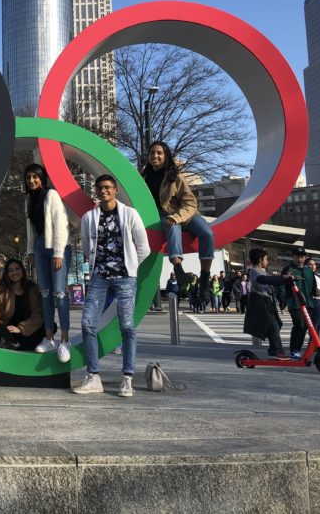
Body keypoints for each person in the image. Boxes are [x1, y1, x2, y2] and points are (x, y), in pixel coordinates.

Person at [74, 174, 149, 398]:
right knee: (88, 323)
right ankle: (93, 376)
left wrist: (130, 266)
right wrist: (99, 265)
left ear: (115, 190)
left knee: (127, 326)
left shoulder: (129, 214)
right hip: (99, 276)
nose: (103, 191)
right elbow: (88, 248)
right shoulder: (89, 217)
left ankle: (127, 378)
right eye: (100, 188)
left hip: (125, 277)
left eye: (107, 187)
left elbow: (143, 247)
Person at [142, 141, 215, 301]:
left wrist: (177, 216)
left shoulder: (175, 176)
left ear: (165, 156)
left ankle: (204, 278)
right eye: (152, 153)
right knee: (173, 228)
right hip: (163, 216)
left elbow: (190, 202)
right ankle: (179, 270)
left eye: (159, 153)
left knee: (207, 233)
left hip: (187, 214)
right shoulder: (143, 177)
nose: (155, 156)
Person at [23, 163, 73, 363]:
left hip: (57, 246)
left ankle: (65, 340)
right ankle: (49, 337)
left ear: (42, 178)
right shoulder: (28, 199)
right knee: (44, 293)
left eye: (35, 177)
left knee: (59, 292)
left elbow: (61, 223)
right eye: (28, 178)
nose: (32, 181)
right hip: (40, 246)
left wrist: (59, 253)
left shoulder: (51, 195)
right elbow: (30, 228)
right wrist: (30, 250)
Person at [0, 258, 43, 350]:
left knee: (51, 326)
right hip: (5, 331)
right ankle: (9, 342)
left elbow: (38, 316)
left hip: (25, 331)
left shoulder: (33, 290)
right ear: (7, 273)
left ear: (22, 270)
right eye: (10, 270)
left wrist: (21, 328)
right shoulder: (2, 289)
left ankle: (20, 345)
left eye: (17, 269)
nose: (14, 272)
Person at [246, 248, 290, 359]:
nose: (267, 261)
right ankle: (277, 351)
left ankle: (274, 349)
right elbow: (263, 279)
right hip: (260, 302)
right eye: (266, 259)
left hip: (268, 302)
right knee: (273, 326)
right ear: (260, 259)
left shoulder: (263, 270)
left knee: (276, 325)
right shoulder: (254, 271)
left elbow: (268, 280)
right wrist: (281, 278)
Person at [281, 247, 318, 359]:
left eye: (302, 257)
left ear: (305, 257)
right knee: (299, 324)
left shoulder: (308, 270)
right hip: (294, 303)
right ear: (293, 257)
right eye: (297, 257)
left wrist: (316, 291)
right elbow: (282, 284)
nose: (300, 259)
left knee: (305, 327)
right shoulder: (288, 269)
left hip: (309, 303)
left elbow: (314, 286)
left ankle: (297, 349)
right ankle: (294, 350)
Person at [305, 257, 320, 333]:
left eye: (314, 264)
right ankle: (313, 343)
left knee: (318, 326)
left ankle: (314, 344)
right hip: (315, 301)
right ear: (305, 266)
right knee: (315, 326)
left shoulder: (316, 275)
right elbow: (316, 291)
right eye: (310, 264)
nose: (313, 266)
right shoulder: (307, 275)